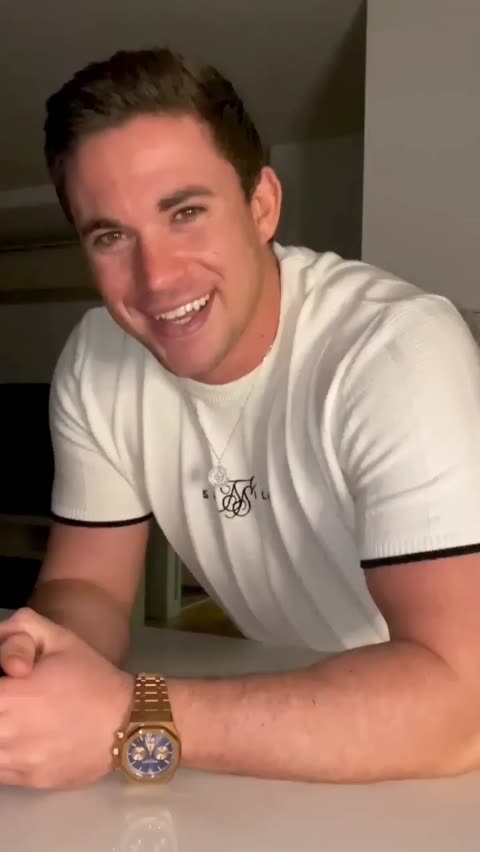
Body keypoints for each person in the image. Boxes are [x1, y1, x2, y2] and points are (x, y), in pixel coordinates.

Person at [2, 46, 480, 791]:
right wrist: (38, 665)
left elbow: (460, 705)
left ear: (262, 206)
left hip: (436, 757)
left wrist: (133, 715)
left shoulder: (394, 349)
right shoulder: (98, 359)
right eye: (111, 236)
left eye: (185, 213)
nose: (157, 279)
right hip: (293, 709)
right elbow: (88, 588)